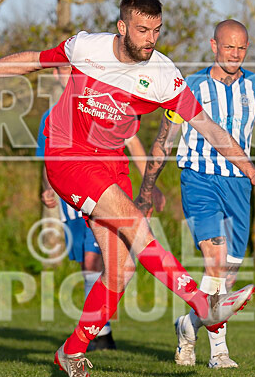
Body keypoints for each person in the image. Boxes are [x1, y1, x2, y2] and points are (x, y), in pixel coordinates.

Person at [0, 0, 255, 377]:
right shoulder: (86, 47)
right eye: (142, 29)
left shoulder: (162, 75)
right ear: (122, 27)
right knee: (135, 226)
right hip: (67, 154)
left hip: (111, 165)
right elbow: (34, 61)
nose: (150, 38)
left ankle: (71, 351)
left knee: (122, 269)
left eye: (156, 30)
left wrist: (250, 171)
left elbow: (209, 127)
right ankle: (200, 301)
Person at [135, 20, 255, 369]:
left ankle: (188, 324)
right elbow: (165, 140)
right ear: (214, 46)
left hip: (240, 184)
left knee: (227, 277)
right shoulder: (188, 86)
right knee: (216, 260)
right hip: (199, 180)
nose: (235, 54)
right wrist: (147, 189)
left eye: (242, 48)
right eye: (229, 47)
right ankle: (220, 352)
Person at [37, 97, 166, 351]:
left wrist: (151, 187)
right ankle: (92, 333)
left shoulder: (105, 102)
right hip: (70, 192)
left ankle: (99, 333)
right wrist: (47, 187)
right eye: (63, 70)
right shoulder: (55, 114)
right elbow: (48, 155)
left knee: (101, 260)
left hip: (105, 191)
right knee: (88, 263)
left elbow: (134, 144)